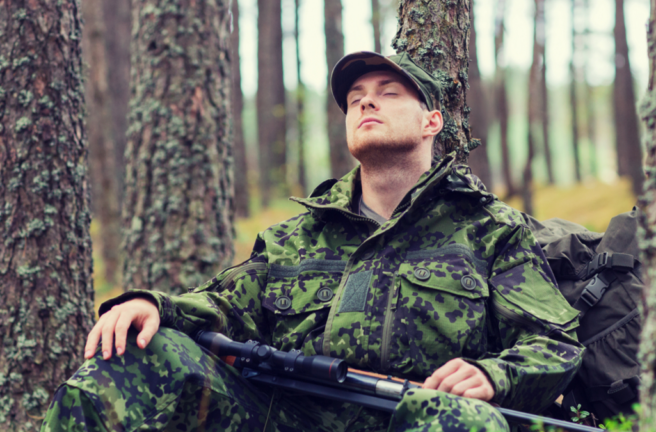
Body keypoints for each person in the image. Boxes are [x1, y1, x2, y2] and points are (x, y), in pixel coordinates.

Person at [42, 51, 583, 432]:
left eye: (387, 94)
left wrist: (492, 376)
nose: (366, 104)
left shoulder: (489, 229)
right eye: (355, 100)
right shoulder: (297, 237)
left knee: (458, 420)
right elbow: (225, 306)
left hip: (419, 418)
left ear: (431, 121)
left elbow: (554, 344)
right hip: (287, 417)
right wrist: (149, 304)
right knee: (144, 351)